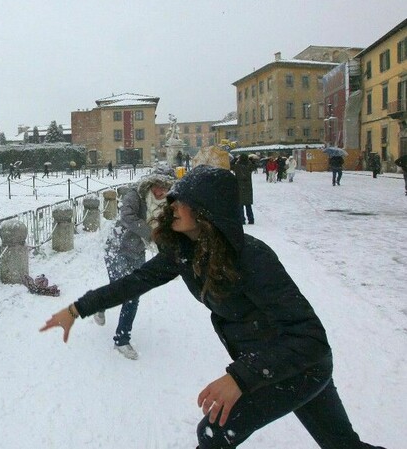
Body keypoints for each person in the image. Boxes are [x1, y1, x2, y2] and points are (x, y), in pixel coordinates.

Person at [40, 166, 386, 449]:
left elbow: (310, 338)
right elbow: (134, 282)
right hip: (270, 363)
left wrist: (241, 378)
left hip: (298, 366)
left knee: (214, 432)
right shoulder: (183, 252)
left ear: (207, 209)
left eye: (181, 200)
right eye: (171, 199)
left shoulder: (252, 257)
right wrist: (76, 309)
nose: (171, 205)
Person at [93, 165, 176, 359]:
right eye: (157, 185)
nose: (160, 191)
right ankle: (107, 315)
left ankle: (121, 338)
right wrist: (151, 233)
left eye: (165, 187)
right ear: (151, 183)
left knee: (133, 292)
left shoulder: (166, 204)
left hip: (137, 251)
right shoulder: (136, 194)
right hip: (117, 247)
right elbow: (128, 217)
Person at [231, 154, 255, 224]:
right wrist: (252, 161)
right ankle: (251, 219)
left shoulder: (237, 166)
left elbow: (230, 166)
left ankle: (242, 220)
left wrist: (234, 160)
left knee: (240, 205)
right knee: (248, 205)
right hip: (248, 187)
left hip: (239, 187)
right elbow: (254, 166)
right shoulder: (249, 165)